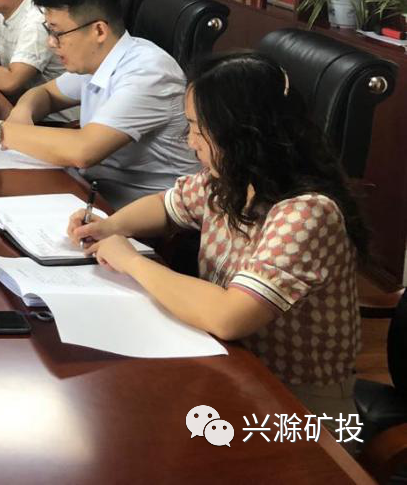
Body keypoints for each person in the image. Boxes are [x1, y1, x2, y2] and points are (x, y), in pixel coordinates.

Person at [68, 52, 363, 431]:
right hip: (228, 364)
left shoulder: (307, 212)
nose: (190, 142)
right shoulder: (231, 178)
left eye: (198, 128)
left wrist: (132, 261)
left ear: (243, 132)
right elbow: (167, 205)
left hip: (298, 404)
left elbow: (228, 316)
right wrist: (111, 226)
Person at [0, 0, 199, 205]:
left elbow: (83, 150)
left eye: (58, 32)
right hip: (89, 190)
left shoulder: (148, 72)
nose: (51, 43)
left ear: (99, 31)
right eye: (48, 30)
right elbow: (45, 93)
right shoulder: (95, 58)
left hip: (135, 214)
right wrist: (23, 112)